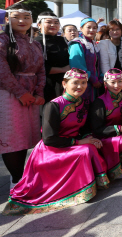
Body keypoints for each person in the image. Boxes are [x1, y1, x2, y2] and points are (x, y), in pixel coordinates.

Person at [4, 69, 109, 215]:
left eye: (83, 83)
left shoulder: (84, 102)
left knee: (92, 146)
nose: (80, 86)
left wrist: (89, 138)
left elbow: (84, 128)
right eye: (75, 83)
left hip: (71, 144)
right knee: (85, 150)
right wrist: (80, 142)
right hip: (50, 150)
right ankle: (79, 190)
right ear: (64, 84)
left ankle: (86, 185)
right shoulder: (53, 106)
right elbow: (49, 139)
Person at [0, 3, 46, 189]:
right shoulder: (2, 41)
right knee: (13, 140)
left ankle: (27, 178)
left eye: (26, 17)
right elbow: (2, 71)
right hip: (9, 94)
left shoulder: (34, 42)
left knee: (29, 138)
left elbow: (41, 70)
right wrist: (20, 93)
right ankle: (16, 181)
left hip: (33, 96)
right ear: (7, 19)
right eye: (17, 17)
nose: (22, 21)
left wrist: (40, 92)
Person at [89, 69, 122, 180]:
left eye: (120, 81)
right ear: (105, 83)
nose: (117, 85)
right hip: (104, 137)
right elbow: (97, 129)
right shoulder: (99, 102)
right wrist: (121, 128)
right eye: (112, 82)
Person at [36, 11, 70, 103]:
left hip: (65, 83)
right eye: (49, 22)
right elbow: (37, 67)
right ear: (39, 25)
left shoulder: (63, 40)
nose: (53, 25)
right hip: (45, 84)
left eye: (56, 22)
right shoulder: (35, 42)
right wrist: (63, 69)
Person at [68, 17, 102, 102]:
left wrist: (100, 78)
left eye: (95, 28)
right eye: (89, 27)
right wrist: (93, 79)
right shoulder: (77, 44)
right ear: (81, 28)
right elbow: (77, 66)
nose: (92, 30)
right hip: (82, 83)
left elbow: (98, 64)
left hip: (96, 84)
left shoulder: (94, 44)